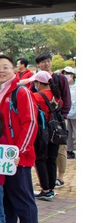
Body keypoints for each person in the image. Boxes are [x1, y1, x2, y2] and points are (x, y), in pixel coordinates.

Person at [0, 54, 40, 223]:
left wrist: (18, 151)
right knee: (6, 199)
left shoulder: (21, 92)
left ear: (14, 70)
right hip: (1, 158)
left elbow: (30, 123)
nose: (1, 71)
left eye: (5, 67)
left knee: (22, 199)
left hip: (18, 158)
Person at [34, 53, 71, 187]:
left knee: (59, 150)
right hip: (43, 123)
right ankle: (46, 180)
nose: (47, 64)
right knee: (47, 153)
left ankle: (59, 178)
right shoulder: (36, 80)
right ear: (38, 64)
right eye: (43, 62)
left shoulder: (60, 78)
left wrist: (62, 116)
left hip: (58, 120)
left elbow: (66, 98)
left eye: (49, 61)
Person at [27, 71, 61, 201]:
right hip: (55, 131)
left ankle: (45, 189)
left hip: (41, 132)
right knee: (51, 159)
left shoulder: (36, 96)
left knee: (40, 159)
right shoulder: (56, 95)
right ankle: (51, 188)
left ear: (38, 83)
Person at [63, 67, 76, 159]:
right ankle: (69, 151)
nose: (66, 76)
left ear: (72, 75)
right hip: (68, 113)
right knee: (69, 132)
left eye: (67, 74)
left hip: (75, 113)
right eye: (64, 74)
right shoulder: (65, 86)